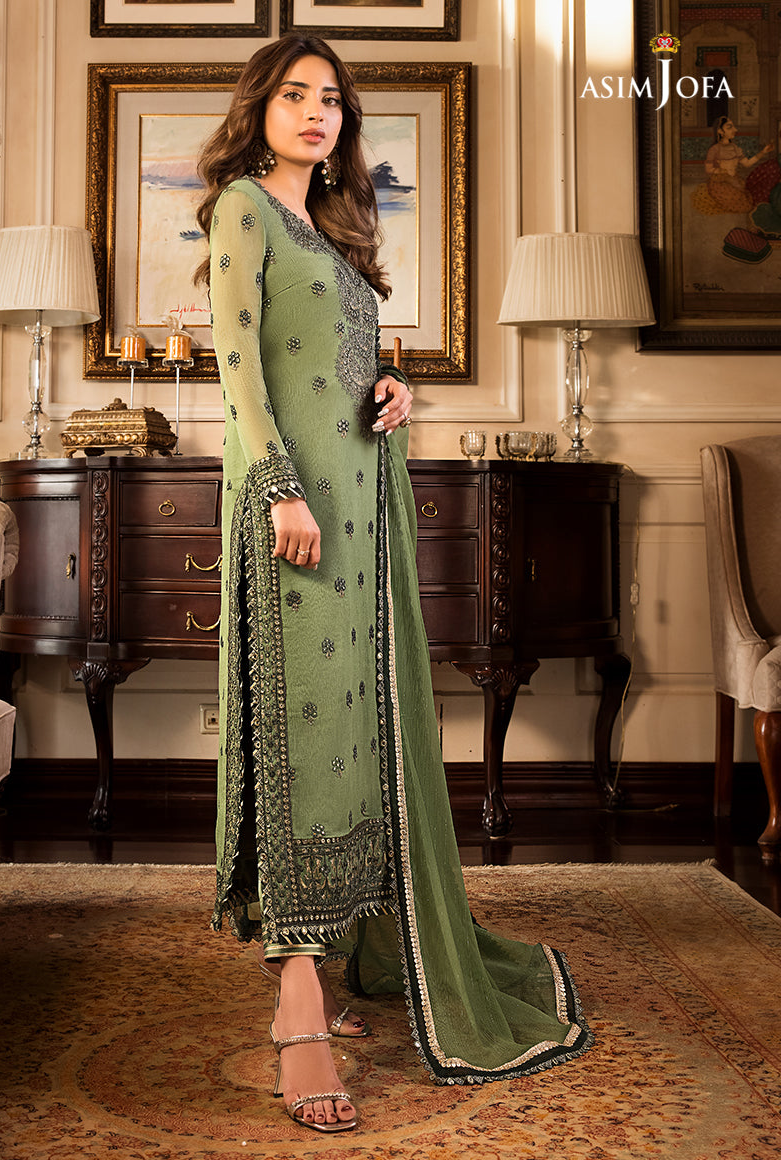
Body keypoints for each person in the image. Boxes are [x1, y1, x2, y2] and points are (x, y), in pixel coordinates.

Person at [195, 33, 592, 1135]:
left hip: (362, 513)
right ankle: (297, 996)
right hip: (296, 510)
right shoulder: (242, 210)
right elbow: (239, 366)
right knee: (299, 735)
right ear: (260, 109)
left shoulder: (331, 228)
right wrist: (280, 489)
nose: (314, 112)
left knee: (356, 735)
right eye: (293, 95)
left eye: (330, 99)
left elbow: (331, 359)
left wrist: (392, 386)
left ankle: (345, 951)